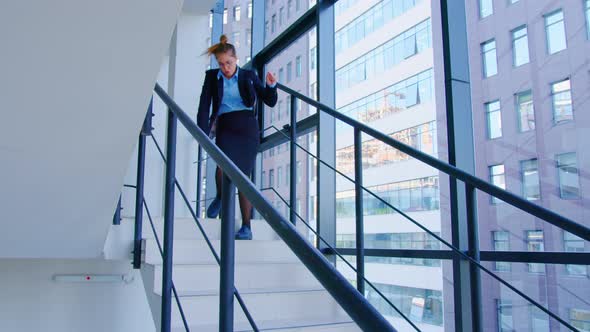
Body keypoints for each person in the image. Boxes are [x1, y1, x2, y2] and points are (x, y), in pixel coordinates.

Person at [197, 35, 278, 240]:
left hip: (247, 129)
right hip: (225, 127)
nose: (225, 67)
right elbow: (204, 106)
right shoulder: (211, 77)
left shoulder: (249, 76)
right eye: (221, 64)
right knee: (222, 167)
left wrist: (271, 86)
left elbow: (269, 101)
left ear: (236, 59)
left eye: (229, 63)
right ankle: (221, 196)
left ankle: (246, 227)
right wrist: (202, 133)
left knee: (243, 177)